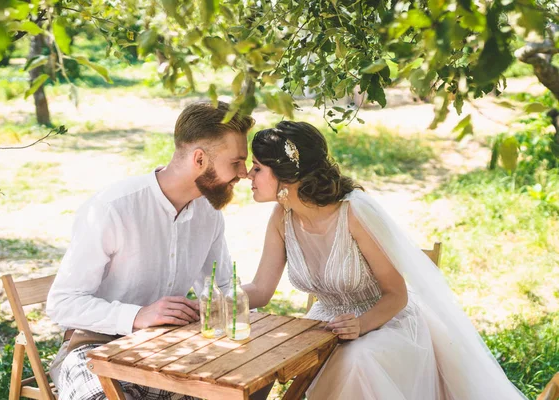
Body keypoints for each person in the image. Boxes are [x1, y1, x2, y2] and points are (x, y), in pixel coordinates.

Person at [244, 120, 526, 400]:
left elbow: (397, 294)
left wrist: (360, 325)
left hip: (388, 324)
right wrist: (214, 300)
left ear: (288, 174)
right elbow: (260, 290)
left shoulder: (353, 212)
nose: (248, 175)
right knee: (268, 356)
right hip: (327, 327)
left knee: (356, 361)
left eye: (257, 167)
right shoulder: (282, 217)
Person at [47, 101, 256, 400]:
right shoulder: (113, 208)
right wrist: (138, 315)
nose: (244, 173)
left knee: (248, 383)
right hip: (94, 348)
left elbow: (221, 287)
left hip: (172, 349)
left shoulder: (209, 214)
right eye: (236, 162)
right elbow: (62, 304)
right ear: (199, 159)